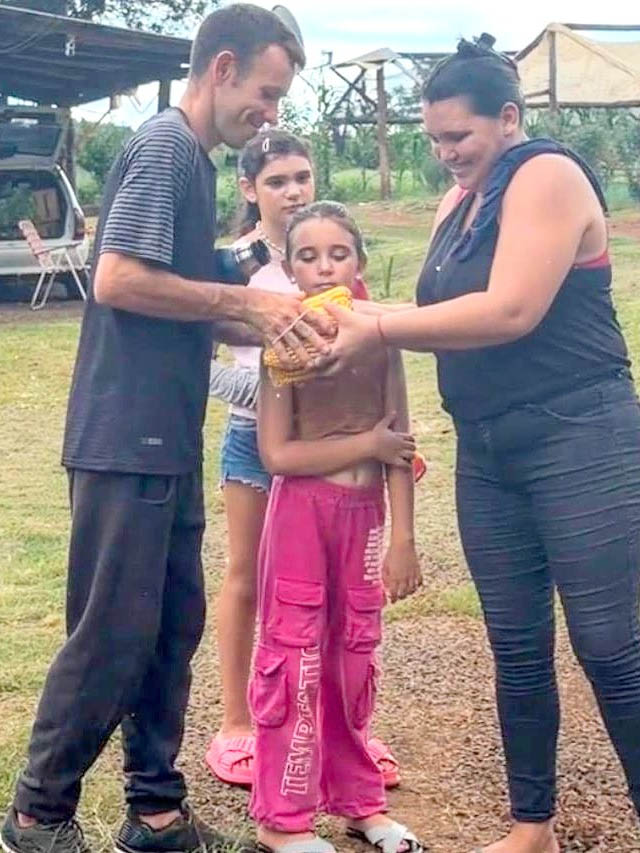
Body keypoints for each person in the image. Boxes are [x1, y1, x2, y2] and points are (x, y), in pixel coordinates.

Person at [0, 8, 332, 853]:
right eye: (265, 93)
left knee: (171, 625)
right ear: (221, 69)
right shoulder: (165, 148)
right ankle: (36, 813)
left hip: (166, 434)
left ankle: (154, 811)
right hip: (126, 434)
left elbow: (177, 295)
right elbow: (117, 279)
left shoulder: (196, 160)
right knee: (114, 631)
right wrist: (244, 301)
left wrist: (259, 301)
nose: (270, 113)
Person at [320, 35, 640, 853]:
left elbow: (510, 310)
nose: (445, 153)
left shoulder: (546, 175)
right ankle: (533, 827)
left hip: (580, 437)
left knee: (611, 645)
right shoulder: (455, 204)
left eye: (458, 135)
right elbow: (437, 315)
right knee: (517, 644)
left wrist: (375, 327)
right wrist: (338, 317)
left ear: (508, 117)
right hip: (489, 452)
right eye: (433, 138)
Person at [204, 131, 400, 790]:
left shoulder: (332, 261)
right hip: (256, 438)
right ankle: (238, 723)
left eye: (302, 177)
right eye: (277, 181)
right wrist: (269, 388)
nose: (292, 192)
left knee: (336, 595)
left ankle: (344, 733)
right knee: (249, 575)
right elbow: (203, 359)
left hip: (335, 449)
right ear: (248, 188)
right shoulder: (237, 269)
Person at [250, 201, 424, 853]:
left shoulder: (382, 341)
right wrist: (366, 445)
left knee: (354, 657)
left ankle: (358, 801)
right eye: (308, 256)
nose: (324, 267)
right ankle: (282, 819)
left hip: (364, 516)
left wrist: (403, 537)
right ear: (289, 269)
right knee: (294, 658)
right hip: (302, 514)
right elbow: (277, 455)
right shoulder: (284, 348)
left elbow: (400, 444)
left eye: (338, 253)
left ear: (360, 262)